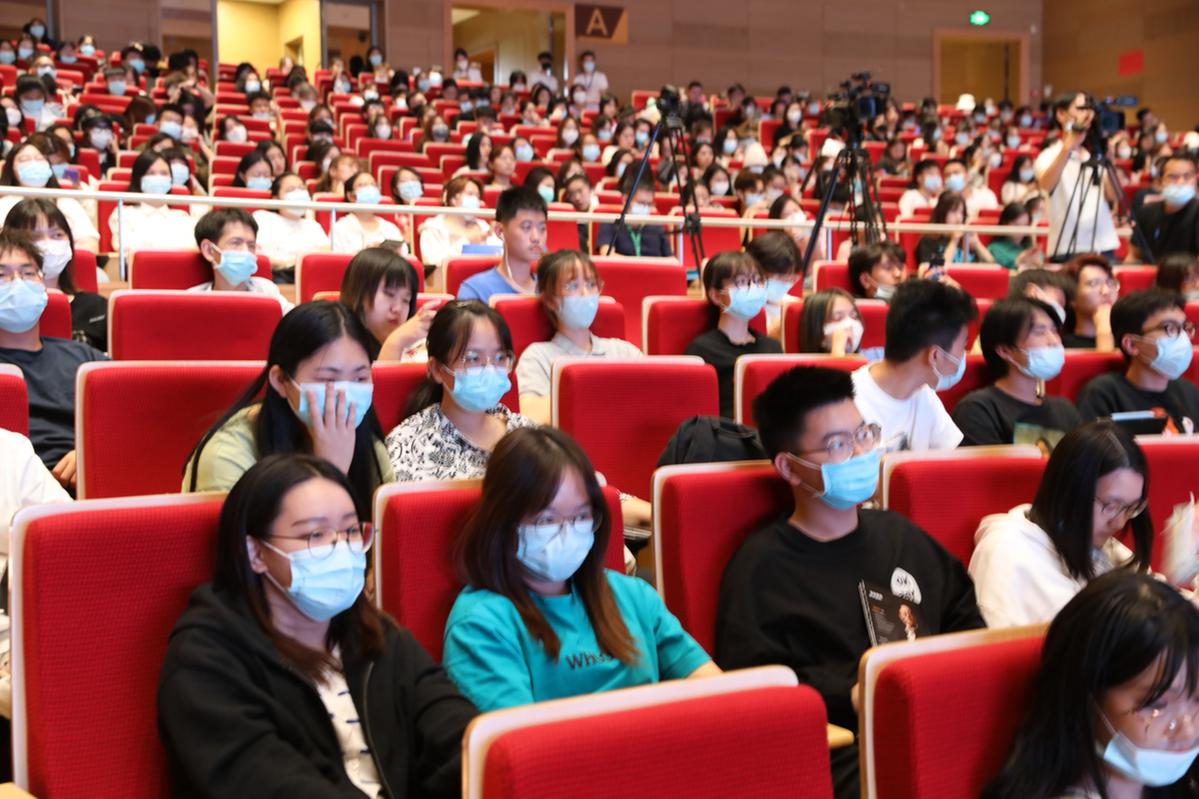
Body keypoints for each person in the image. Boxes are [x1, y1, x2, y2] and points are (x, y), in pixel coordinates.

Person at [716, 365, 985, 799]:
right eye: (838, 444)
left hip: (940, 725)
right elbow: (759, 695)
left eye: (864, 434)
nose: (861, 453)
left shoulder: (901, 536)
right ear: (789, 467)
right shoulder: (761, 570)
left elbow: (967, 622)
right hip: (843, 752)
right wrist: (854, 695)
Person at [159, 454, 475, 797]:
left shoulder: (377, 636)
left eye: (351, 531)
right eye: (315, 534)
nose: (341, 548)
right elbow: (269, 784)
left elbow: (460, 738)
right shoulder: (205, 660)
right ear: (256, 553)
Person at [442, 427, 717, 712]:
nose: (567, 533)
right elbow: (518, 737)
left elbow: (713, 691)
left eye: (581, 516)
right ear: (503, 522)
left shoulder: (633, 596)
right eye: (546, 519)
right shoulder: (481, 624)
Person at [982, 571, 1199, 799]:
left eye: (1197, 699)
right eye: (1157, 705)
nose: (1188, 730)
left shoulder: (1171, 785)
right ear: (1085, 699)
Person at [183, 301, 394, 514]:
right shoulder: (227, 456)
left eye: (360, 378)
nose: (343, 395)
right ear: (280, 380)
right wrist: (330, 472)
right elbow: (251, 536)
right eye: (328, 379)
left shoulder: (369, 447)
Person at [969, 421, 1152, 629]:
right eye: (1110, 506)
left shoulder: (1102, 547)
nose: (1120, 522)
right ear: (1070, 491)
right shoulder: (1006, 553)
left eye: (1131, 507)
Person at [0, 228, 106, 485]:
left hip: (89, 478)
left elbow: (130, 418)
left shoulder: (84, 358)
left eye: (28, 273)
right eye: (2, 276)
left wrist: (91, 451)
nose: (17, 283)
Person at [386, 301, 534, 482]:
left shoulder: (526, 433)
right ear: (437, 369)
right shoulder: (409, 446)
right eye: (472, 358)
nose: (490, 369)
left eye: (500, 357)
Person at [516, 250, 641, 425]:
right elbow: (532, 418)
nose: (585, 293)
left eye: (591, 284)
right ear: (551, 300)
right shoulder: (537, 356)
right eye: (572, 286)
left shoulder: (624, 351)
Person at [851, 279, 977, 452]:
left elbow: (952, 459)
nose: (963, 357)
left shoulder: (923, 394)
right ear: (935, 356)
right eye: (962, 347)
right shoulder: (848, 403)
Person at [952, 297, 1081, 449]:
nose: (1054, 341)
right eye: (1040, 332)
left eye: (1054, 330)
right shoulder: (978, 410)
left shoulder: (1065, 410)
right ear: (1005, 350)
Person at [1078, 289, 1199, 434]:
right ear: (1131, 344)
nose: (1182, 337)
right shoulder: (1104, 394)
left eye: (1184, 327)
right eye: (1169, 328)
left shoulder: (1188, 392)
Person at [684, 251, 782, 419]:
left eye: (757, 281)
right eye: (742, 282)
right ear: (716, 295)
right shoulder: (701, 350)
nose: (753, 288)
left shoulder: (772, 347)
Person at [4, 199, 107, 350]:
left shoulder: (95, 306)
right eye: (34, 237)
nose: (48, 245)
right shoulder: (5, 308)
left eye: (57, 235)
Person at [1035, 92, 1119, 260]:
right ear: (1060, 114)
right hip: (1066, 246)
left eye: (1090, 110)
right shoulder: (1048, 155)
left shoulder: (1094, 156)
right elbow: (1046, 185)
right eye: (1081, 108)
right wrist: (1068, 147)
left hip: (1103, 244)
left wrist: (1110, 162)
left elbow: (1114, 196)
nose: (1088, 115)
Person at [339, 246, 436, 362]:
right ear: (357, 293)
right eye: (389, 294)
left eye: (406, 300)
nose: (397, 308)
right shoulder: (337, 343)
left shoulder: (416, 347)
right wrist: (396, 342)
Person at [0, 139, 100, 252]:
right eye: (24, 160)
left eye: (39, 159)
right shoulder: (3, 204)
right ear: (11, 169)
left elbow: (89, 244)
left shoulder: (67, 202)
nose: (34, 164)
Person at [188, 208, 292, 313]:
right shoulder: (191, 300)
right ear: (209, 251)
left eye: (251, 245)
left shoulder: (267, 291)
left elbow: (294, 319)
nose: (246, 251)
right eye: (236, 243)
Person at [457, 187, 547, 304]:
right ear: (500, 231)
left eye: (542, 228)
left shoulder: (552, 288)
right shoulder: (475, 291)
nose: (536, 237)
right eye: (526, 227)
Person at [109, 150, 197, 259]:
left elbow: (192, 248)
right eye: (151, 173)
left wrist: (149, 242)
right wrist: (172, 244)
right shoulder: (123, 213)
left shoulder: (182, 216)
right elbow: (124, 246)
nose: (158, 178)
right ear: (139, 178)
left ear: (171, 179)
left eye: (164, 173)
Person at [417, 176, 501, 279]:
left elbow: (499, 253)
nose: (475, 200)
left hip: (487, 278)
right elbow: (432, 264)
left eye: (478, 196)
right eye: (470, 194)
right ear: (453, 199)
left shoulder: (483, 226)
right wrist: (467, 242)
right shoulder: (433, 228)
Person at [1129, 153, 1199, 263]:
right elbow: (1134, 255)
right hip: (1153, 272)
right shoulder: (1146, 213)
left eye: (1187, 176)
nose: (1181, 182)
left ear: (1195, 180)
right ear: (1160, 182)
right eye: (1173, 177)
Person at [252, 172, 330, 271]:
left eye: (302, 188)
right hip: (274, 273)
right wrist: (286, 264)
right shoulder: (262, 217)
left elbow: (326, 252)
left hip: (307, 273)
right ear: (276, 199)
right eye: (291, 189)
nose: (298, 193)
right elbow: (254, 253)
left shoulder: (313, 225)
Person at [331, 172, 405, 256]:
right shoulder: (340, 228)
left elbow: (404, 255)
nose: (370, 189)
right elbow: (335, 259)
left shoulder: (390, 228)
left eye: (373, 185)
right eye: (363, 185)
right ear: (351, 196)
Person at [747, 231, 804, 339]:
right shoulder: (739, 307)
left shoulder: (795, 306)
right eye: (777, 277)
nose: (784, 283)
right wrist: (773, 332)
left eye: (788, 278)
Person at [596, 177, 671, 258]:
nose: (645, 208)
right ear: (625, 200)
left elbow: (671, 259)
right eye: (641, 203)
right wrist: (636, 264)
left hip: (654, 266)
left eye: (649, 204)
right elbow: (606, 254)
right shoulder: (611, 223)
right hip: (623, 266)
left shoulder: (657, 226)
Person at [797, 288, 880, 360]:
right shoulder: (805, 370)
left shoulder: (877, 356)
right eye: (838, 318)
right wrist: (838, 351)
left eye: (854, 316)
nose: (850, 325)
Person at [915, 191, 993, 266]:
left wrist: (977, 244)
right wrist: (954, 241)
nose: (959, 217)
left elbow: (992, 265)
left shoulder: (966, 240)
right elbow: (936, 268)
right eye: (953, 211)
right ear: (942, 213)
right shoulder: (928, 241)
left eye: (961, 212)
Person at [1061, 254, 1118, 350]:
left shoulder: (1127, 339)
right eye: (1093, 283)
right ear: (1072, 298)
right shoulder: (1064, 346)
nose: (1106, 291)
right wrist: (1104, 331)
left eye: (1110, 283)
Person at [988, 202, 1044, 270]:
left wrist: (1037, 262)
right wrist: (1019, 261)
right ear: (1005, 223)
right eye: (1016, 225)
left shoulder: (1030, 247)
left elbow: (1041, 263)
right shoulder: (995, 248)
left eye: (1025, 225)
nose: (1021, 231)